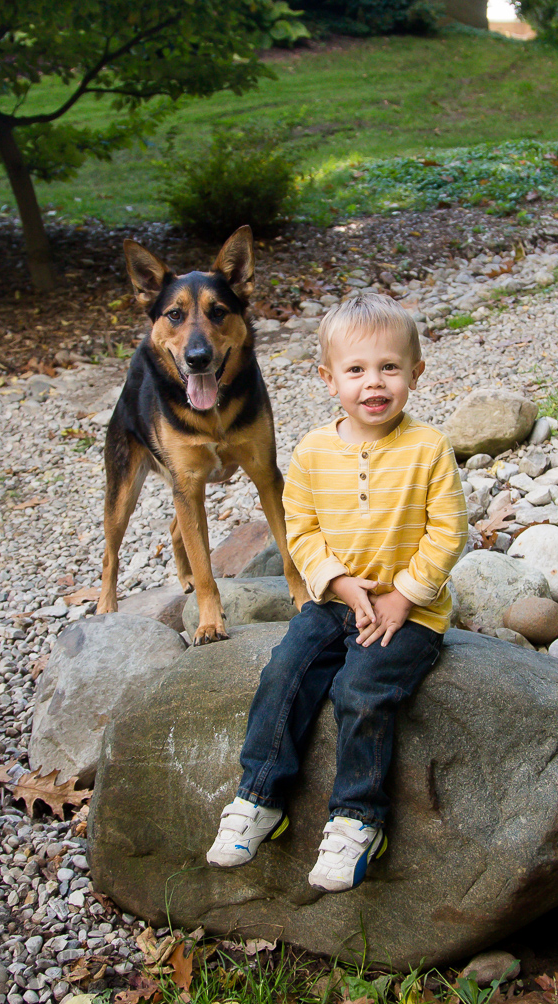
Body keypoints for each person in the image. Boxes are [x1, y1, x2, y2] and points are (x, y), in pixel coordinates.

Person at [207, 293, 468, 892]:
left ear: (415, 372)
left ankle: (358, 818)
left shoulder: (428, 448)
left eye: (389, 367)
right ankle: (259, 797)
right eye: (356, 370)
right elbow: (300, 530)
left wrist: (406, 595)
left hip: (408, 614)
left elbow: (449, 530)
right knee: (285, 672)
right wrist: (339, 583)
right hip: (333, 603)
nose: (373, 382)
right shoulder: (312, 453)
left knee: (362, 689)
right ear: (329, 379)